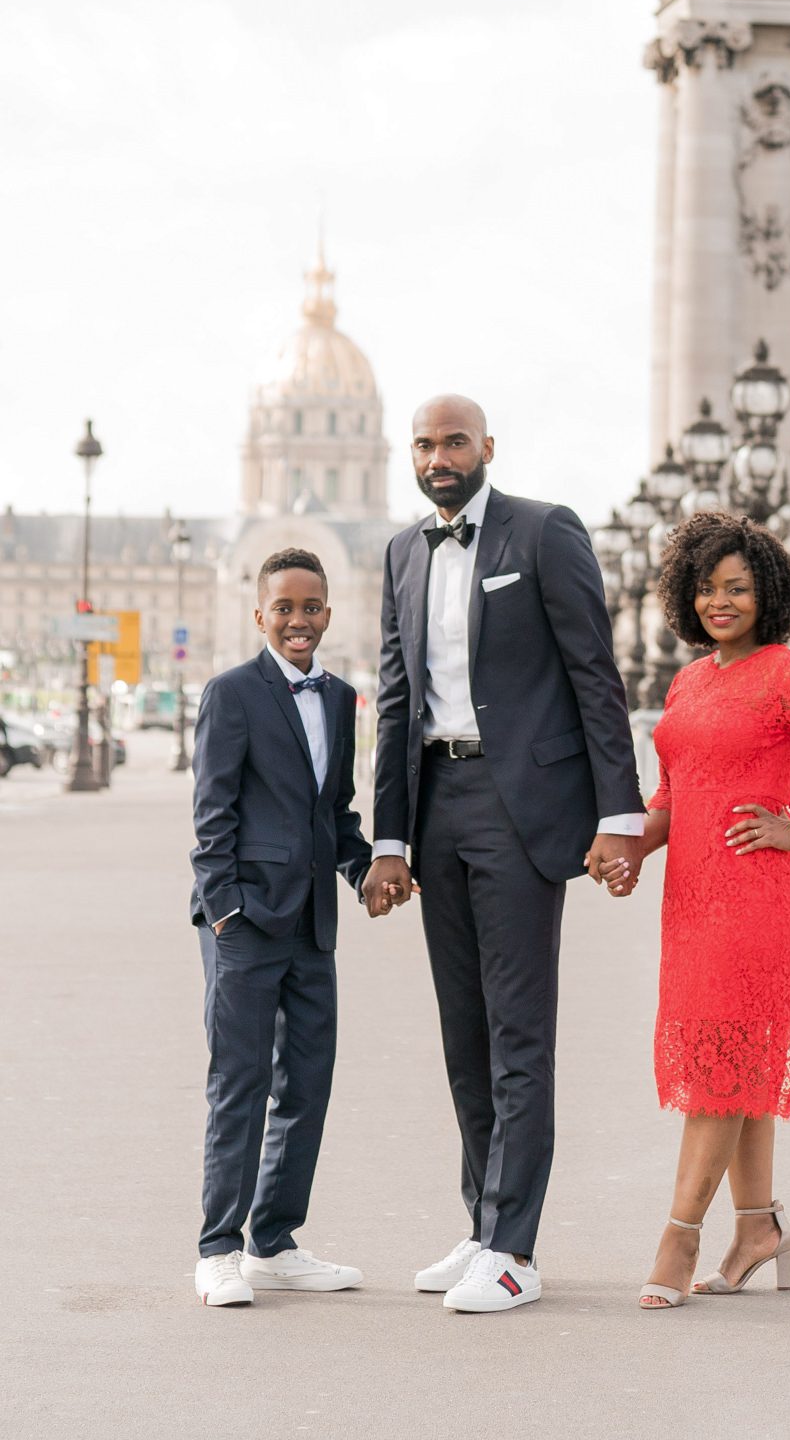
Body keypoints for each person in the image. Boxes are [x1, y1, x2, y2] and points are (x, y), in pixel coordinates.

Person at [363, 394, 642, 1314]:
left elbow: (594, 677)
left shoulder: (542, 532)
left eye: (453, 441)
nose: (437, 456)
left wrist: (619, 817)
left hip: (520, 807)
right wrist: (389, 839)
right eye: (423, 444)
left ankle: (515, 1249)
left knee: (520, 1033)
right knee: (464, 1036)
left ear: (486, 447)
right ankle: (482, 1226)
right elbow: (397, 702)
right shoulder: (404, 552)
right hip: (436, 806)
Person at [598, 509, 790, 1310]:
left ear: (768, 594)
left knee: (719, 1065)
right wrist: (631, 847)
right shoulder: (688, 680)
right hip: (690, 895)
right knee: (738, 1062)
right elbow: (672, 794)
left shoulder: (788, 675)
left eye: (736, 588)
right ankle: (757, 1226)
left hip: (761, 895)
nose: (719, 602)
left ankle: (678, 1235)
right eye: (705, 588)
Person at [188, 548, 373, 1307]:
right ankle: (217, 1248)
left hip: (311, 924)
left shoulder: (339, 698)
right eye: (284, 608)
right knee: (240, 1081)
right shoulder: (230, 693)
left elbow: (334, 813)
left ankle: (274, 1240)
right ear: (260, 615)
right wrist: (225, 907)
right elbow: (211, 813)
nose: (298, 620)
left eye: (311, 607)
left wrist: (366, 870)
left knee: (308, 1082)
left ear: (328, 614)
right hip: (245, 921)